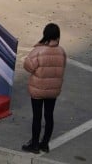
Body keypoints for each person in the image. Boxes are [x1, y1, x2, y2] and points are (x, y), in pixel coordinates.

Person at [21, 23, 67, 155]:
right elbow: (63, 67)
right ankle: (45, 143)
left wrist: (38, 46)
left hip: (38, 89)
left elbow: (28, 66)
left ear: (45, 35)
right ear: (58, 36)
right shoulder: (62, 52)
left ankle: (34, 144)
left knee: (37, 116)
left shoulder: (38, 51)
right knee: (49, 116)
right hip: (53, 90)